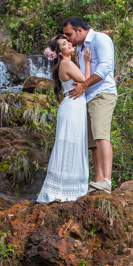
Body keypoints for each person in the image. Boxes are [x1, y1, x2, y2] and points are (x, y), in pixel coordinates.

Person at [62, 16, 117, 194]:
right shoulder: (79, 48)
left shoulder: (100, 39)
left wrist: (84, 86)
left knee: (101, 135)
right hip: (86, 97)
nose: (67, 38)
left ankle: (107, 181)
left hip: (102, 94)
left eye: (69, 34)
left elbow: (105, 68)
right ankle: (98, 181)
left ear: (79, 30)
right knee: (92, 142)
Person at [36, 35, 92, 204]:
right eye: (64, 44)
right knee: (71, 144)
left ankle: (63, 188)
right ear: (59, 52)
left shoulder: (67, 64)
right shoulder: (66, 64)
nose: (68, 44)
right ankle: (68, 189)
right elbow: (87, 81)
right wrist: (87, 61)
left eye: (68, 42)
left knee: (68, 145)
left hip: (72, 106)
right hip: (73, 107)